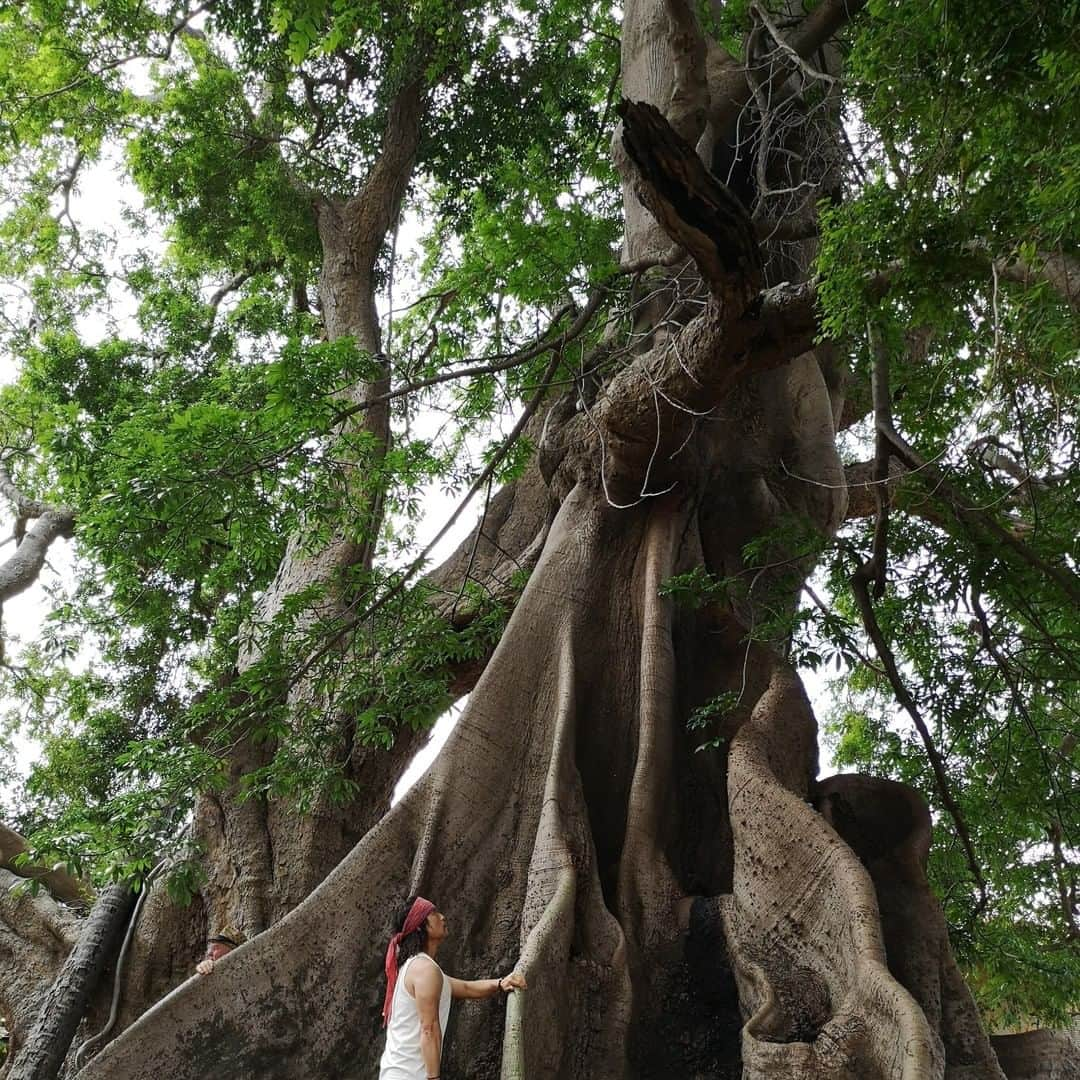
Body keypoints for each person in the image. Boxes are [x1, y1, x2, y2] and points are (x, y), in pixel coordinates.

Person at [380, 895, 526, 1080]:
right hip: (409, 1074)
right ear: (420, 926)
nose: (442, 917)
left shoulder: (420, 968)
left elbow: (465, 987)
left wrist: (500, 983)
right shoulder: (424, 969)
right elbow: (429, 1028)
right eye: (433, 913)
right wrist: (434, 1078)